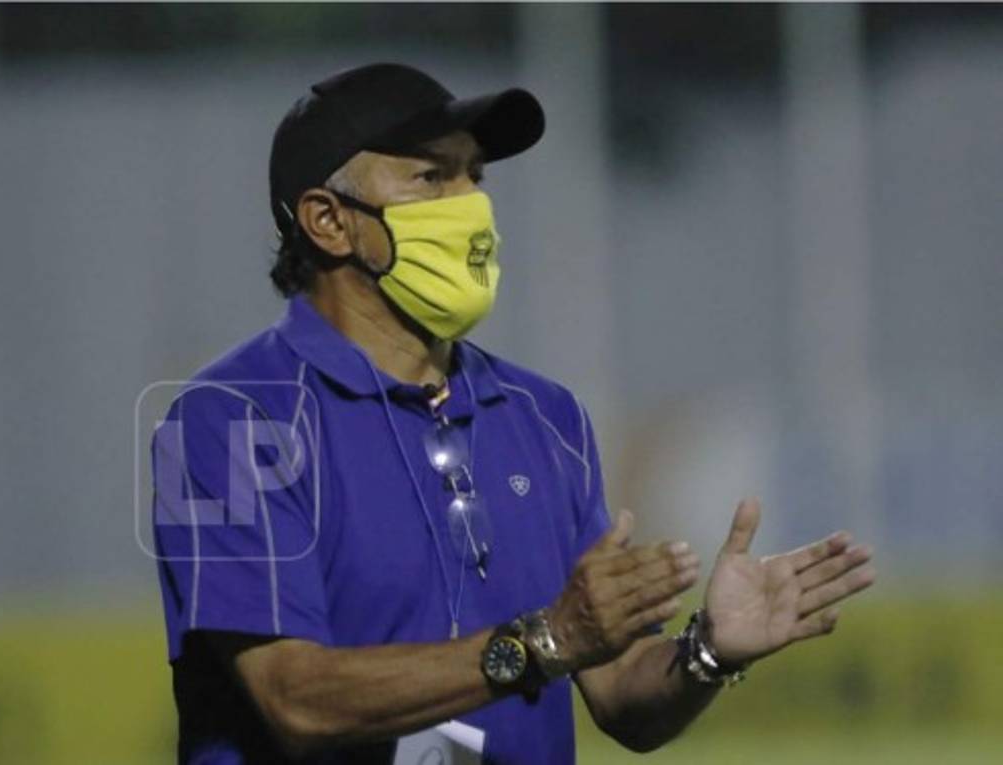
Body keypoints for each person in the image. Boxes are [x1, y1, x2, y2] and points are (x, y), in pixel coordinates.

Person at [150, 62, 876, 764]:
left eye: (476, 174)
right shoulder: (233, 418)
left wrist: (705, 652)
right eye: (432, 175)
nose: (471, 203)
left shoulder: (544, 415)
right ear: (329, 222)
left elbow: (620, 690)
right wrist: (540, 643)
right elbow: (294, 699)